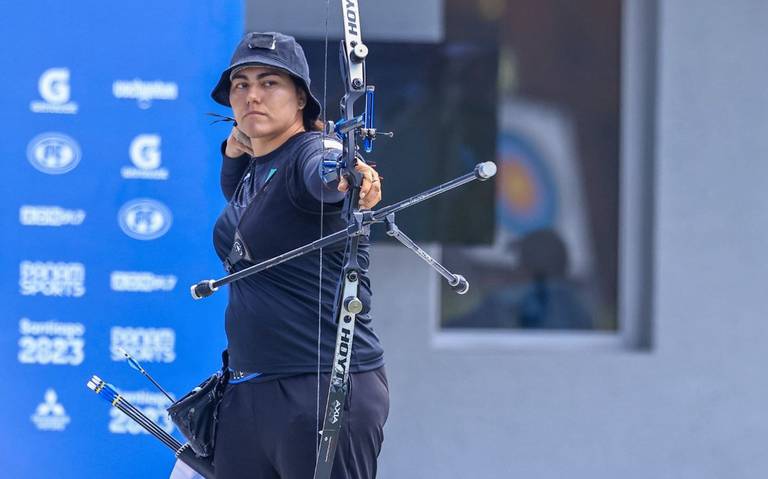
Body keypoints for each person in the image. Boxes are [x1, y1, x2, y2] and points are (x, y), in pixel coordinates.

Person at [207, 32, 389, 479]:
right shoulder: (259, 168)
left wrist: (348, 173)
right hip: (249, 392)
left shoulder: (311, 153)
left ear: (301, 99)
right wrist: (233, 150)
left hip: (320, 391)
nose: (252, 95)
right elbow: (245, 206)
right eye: (241, 84)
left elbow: (325, 174)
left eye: (270, 83)